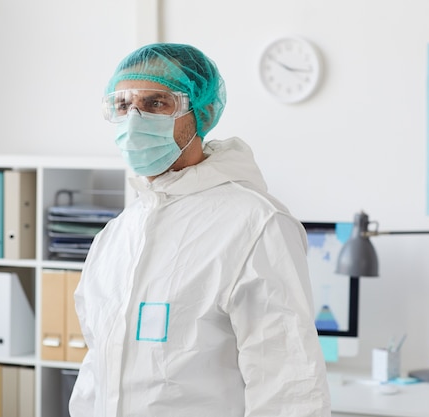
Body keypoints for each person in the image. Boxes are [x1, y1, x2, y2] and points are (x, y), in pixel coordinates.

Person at [69, 42, 331, 417]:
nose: (134, 120)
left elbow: (289, 389)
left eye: (157, 103)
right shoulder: (115, 236)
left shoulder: (256, 224)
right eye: (123, 105)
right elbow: (97, 371)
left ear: (202, 112)